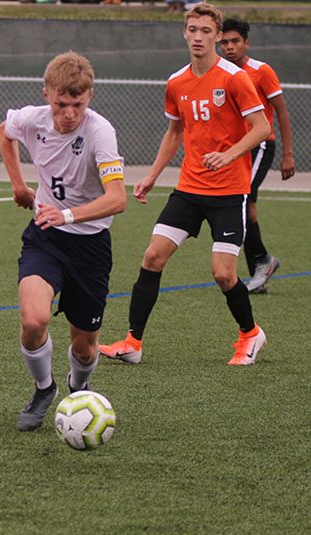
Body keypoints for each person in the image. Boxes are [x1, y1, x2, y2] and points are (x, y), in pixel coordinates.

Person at [99, 3, 270, 367]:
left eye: (206, 31)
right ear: (184, 32)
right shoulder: (176, 81)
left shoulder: (233, 78)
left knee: (223, 274)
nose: (197, 37)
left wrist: (230, 153)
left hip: (228, 191)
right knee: (152, 256)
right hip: (190, 188)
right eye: (192, 29)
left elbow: (261, 128)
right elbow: (175, 132)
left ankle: (251, 334)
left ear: (217, 35)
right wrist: (152, 175)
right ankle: (132, 342)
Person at [0, 52, 127, 432]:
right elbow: (5, 133)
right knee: (34, 319)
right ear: (47, 94)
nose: (69, 113)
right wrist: (18, 184)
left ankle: (78, 388)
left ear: (89, 97)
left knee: (85, 346)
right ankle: (43, 388)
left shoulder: (100, 132)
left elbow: (117, 198)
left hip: (90, 246)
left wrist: (68, 214)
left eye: (78, 104)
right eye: (61, 104)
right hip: (46, 238)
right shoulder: (31, 119)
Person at [219, 18, 296, 294]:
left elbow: (282, 111)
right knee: (246, 207)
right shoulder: (222, 73)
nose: (229, 47)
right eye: (224, 42)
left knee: (241, 201)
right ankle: (259, 270)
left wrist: (288, 153)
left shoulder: (261, 71)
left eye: (235, 41)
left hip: (261, 146)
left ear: (246, 42)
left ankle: (262, 259)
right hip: (238, 149)